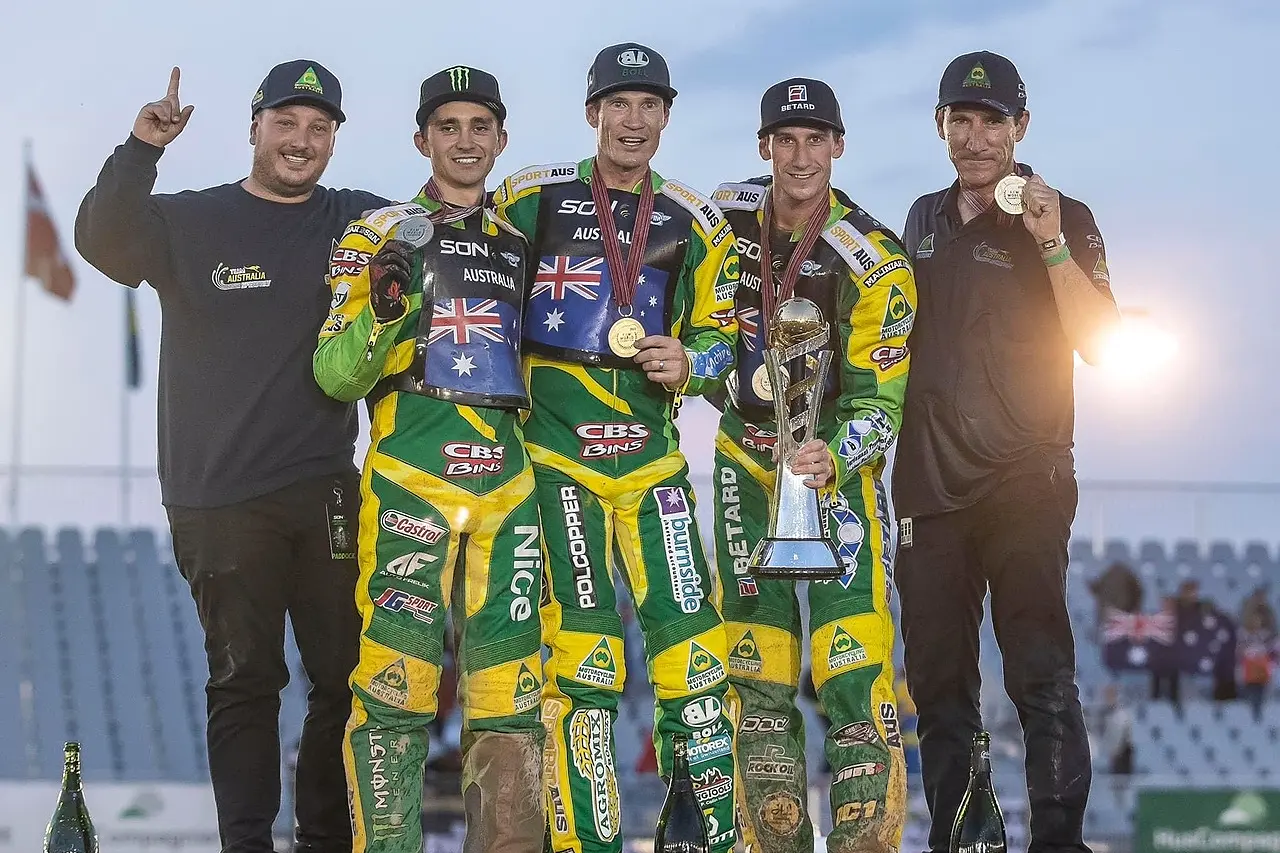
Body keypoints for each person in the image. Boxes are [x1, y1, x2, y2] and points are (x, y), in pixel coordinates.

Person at [74, 61, 388, 853]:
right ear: (255, 129)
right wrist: (141, 149)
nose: (302, 140)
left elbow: (447, 229)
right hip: (215, 496)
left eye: (319, 127)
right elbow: (102, 240)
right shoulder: (193, 220)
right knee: (246, 679)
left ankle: (325, 841)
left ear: (334, 139)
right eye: (286, 123)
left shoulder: (357, 221)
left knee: (346, 676)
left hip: (324, 487)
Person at [492, 42, 741, 853]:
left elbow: (725, 340)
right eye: (619, 104)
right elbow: (468, 271)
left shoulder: (697, 221)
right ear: (592, 112)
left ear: (667, 116)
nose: (634, 121)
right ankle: (584, 844)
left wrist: (692, 362)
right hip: (556, 460)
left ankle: (707, 836)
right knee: (585, 661)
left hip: (652, 463)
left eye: (650, 106)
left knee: (696, 655)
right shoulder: (528, 197)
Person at [312, 66, 544, 853]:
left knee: (512, 699)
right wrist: (385, 312)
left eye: (480, 126)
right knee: (394, 693)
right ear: (422, 140)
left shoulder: (522, 242)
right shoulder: (378, 233)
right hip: (411, 479)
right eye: (448, 126)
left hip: (507, 492)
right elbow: (334, 375)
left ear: (501, 139)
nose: (465, 141)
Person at [892, 51, 1120, 853]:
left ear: (1021, 127)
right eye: (960, 119)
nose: (975, 137)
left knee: (1039, 673)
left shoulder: (1065, 214)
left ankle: (1059, 841)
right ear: (940, 126)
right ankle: (957, 838)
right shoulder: (921, 217)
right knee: (937, 685)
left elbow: (1100, 341)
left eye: (992, 121)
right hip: (927, 485)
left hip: (1027, 477)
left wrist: (1051, 244)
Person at [708, 77, 913, 853]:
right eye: (785, 140)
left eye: (815, 140)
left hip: (834, 474)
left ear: (839, 146)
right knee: (754, 670)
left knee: (851, 664)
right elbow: (691, 330)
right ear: (765, 146)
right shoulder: (719, 219)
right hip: (744, 458)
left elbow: (882, 404)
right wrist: (703, 371)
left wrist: (839, 451)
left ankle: (868, 839)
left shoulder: (874, 257)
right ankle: (770, 838)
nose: (800, 157)